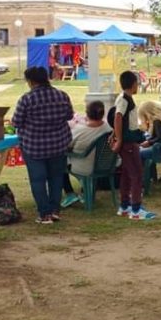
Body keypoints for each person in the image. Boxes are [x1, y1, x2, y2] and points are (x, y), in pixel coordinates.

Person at [12, 67, 75, 224]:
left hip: (34, 147)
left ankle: (44, 214)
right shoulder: (62, 95)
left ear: (31, 81)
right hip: (59, 145)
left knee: (38, 180)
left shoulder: (27, 99)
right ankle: (55, 211)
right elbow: (69, 115)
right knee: (56, 178)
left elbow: (16, 122)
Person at [113, 70, 156, 220]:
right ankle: (136, 209)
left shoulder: (125, 98)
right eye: (137, 83)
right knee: (137, 174)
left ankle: (125, 206)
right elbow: (118, 117)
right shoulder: (124, 100)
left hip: (128, 141)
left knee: (126, 173)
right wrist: (119, 139)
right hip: (128, 143)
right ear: (133, 85)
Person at [62, 100, 113, 208]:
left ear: (87, 113)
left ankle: (70, 193)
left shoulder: (80, 130)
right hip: (107, 165)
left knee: (59, 163)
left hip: (84, 167)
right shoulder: (109, 129)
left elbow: (66, 144)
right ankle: (85, 191)